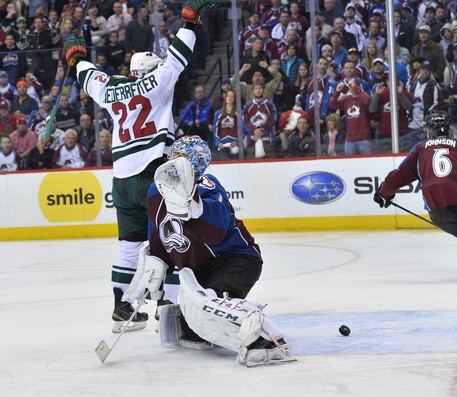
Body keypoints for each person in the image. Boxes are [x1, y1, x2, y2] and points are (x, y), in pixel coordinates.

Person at [64, 0, 216, 333]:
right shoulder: (159, 80)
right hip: (154, 175)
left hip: (121, 181)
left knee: (128, 245)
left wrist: (74, 56)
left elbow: (88, 75)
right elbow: (178, 53)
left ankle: (122, 310)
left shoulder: (111, 90)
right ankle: (169, 306)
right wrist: (190, 22)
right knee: (174, 236)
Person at [123, 135, 296, 367]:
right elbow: (159, 232)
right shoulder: (156, 191)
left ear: (195, 163)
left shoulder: (206, 185)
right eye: (173, 155)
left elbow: (215, 232)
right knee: (196, 324)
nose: (173, 161)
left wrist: (191, 206)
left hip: (235, 259)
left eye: (181, 157)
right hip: (200, 270)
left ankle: (267, 338)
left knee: (210, 307)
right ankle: (189, 319)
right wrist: (156, 261)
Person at [374, 113, 457, 239]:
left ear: (429, 132)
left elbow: (399, 175)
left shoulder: (420, 148)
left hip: (438, 209)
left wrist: (384, 193)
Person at [329, 77, 373, 155]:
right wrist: (337, 91)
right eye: (350, 87)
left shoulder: (363, 98)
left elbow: (368, 100)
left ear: (359, 87)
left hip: (364, 139)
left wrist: (356, 89)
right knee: (350, 164)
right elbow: (332, 105)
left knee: (366, 164)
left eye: (353, 86)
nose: (351, 88)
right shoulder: (347, 99)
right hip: (349, 140)